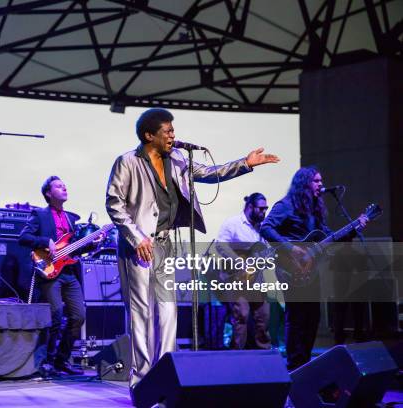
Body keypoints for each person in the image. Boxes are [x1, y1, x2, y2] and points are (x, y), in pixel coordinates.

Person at [105, 108, 279, 389]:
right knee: (141, 314)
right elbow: (114, 203)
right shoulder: (127, 162)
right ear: (149, 135)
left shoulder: (177, 159)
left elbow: (210, 173)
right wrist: (137, 239)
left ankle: (164, 378)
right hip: (139, 246)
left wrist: (245, 164)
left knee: (168, 310)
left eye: (173, 130)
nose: (173, 135)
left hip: (167, 243)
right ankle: (141, 382)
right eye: (167, 131)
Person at [260, 166, 367, 370]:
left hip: (311, 271)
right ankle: (294, 366)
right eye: (317, 181)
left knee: (312, 318)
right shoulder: (286, 205)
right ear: (304, 184)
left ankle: (304, 366)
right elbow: (266, 227)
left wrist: (354, 229)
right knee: (297, 317)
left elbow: (330, 238)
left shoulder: (314, 211)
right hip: (289, 268)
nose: (321, 185)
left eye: (321, 181)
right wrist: (291, 248)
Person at [19, 176, 85, 376]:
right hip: (50, 272)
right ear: (48, 193)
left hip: (69, 272)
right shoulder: (40, 215)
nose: (64, 187)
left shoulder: (71, 218)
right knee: (55, 316)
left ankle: (61, 360)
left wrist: (93, 242)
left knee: (79, 316)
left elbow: (74, 249)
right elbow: (23, 237)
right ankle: (46, 360)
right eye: (58, 185)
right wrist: (45, 240)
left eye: (65, 185)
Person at [215, 192, 271, 350]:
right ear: (250, 207)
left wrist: (267, 259)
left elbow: (266, 252)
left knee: (263, 317)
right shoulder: (233, 223)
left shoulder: (263, 228)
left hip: (257, 281)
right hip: (236, 280)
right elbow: (221, 245)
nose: (263, 212)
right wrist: (239, 262)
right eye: (261, 209)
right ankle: (237, 356)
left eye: (265, 209)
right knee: (242, 317)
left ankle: (265, 358)